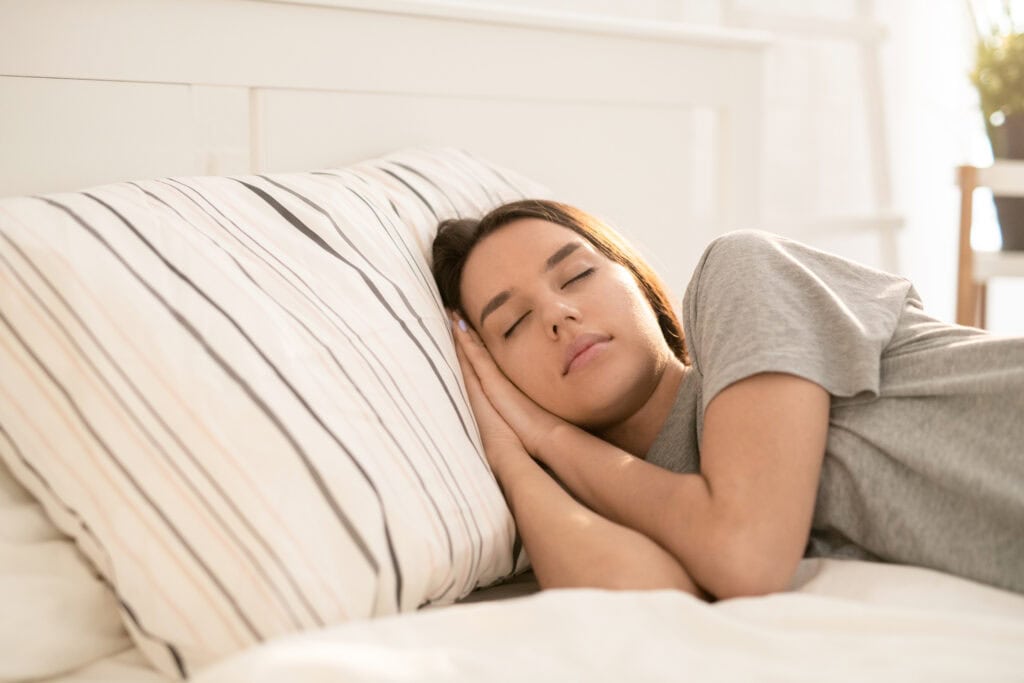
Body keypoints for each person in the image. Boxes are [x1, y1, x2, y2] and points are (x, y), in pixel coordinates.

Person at [431, 198, 1024, 602]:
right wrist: (514, 455)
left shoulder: (739, 274)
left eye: (578, 275)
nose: (559, 314)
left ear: (635, 279)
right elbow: (646, 609)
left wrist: (551, 437)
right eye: (512, 324)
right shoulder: (623, 505)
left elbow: (746, 552)